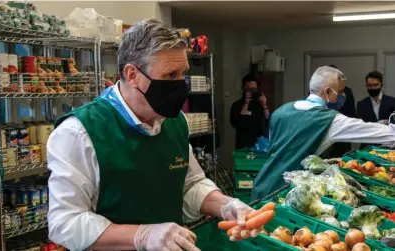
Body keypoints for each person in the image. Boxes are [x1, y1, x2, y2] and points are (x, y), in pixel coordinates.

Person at [47, 19, 257, 251]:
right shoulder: (79, 133)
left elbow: (189, 185)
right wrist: (143, 235)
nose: (180, 85)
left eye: (182, 74)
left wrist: (227, 205)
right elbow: (64, 222)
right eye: (170, 76)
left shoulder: (175, 122)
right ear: (132, 75)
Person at [252, 66, 395, 200]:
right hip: (287, 192)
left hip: (262, 185)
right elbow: (387, 134)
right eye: (339, 92)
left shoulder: (281, 111)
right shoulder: (329, 120)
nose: (342, 96)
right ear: (327, 92)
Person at [230, 74, 269, 149]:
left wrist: (264, 105)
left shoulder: (259, 105)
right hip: (243, 145)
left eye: (254, 89)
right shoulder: (237, 105)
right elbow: (236, 123)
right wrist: (246, 104)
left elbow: (267, 119)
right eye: (249, 89)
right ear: (243, 89)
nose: (252, 92)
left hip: (258, 145)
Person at [326, 64, 357, 157]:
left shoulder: (347, 91)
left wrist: (339, 118)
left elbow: (352, 113)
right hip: (324, 134)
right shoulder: (319, 91)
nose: (341, 94)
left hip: (342, 135)